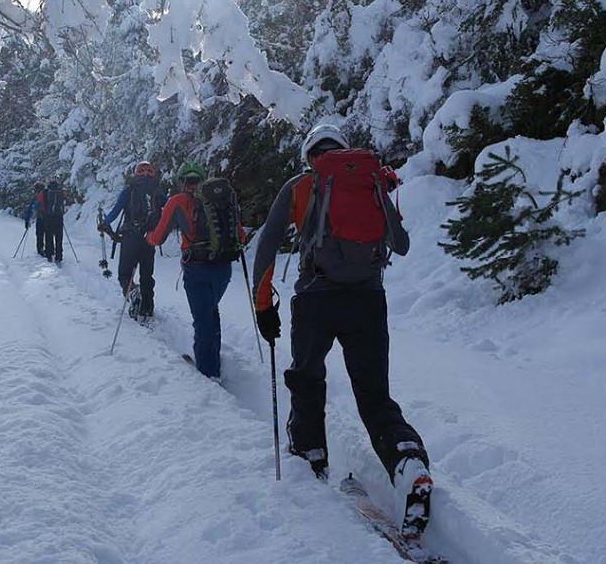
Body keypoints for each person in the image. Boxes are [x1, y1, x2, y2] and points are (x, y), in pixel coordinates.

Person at [250, 123, 432, 538]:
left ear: (310, 154)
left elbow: (266, 246)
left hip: (314, 300)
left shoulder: (300, 186)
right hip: (368, 300)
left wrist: (264, 307)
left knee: (307, 379)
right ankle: (407, 460)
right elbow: (400, 244)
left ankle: (311, 454)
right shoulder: (370, 181)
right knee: (373, 394)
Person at [145, 161, 245, 381]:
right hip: (223, 268)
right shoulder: (223, 200)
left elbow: (159, 237)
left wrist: (148, 237)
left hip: (196, 268)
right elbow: (241, 236)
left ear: (181, 181)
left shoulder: (177, 201)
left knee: (203, 319)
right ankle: (212, 360)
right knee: (211, 312)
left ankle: (209, 373)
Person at [98, 161, 167, 321]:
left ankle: (133, 292)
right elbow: (170, 208)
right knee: (147, 274)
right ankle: (147, 309)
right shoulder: (157, 192)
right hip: (150, 238)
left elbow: (116, 210)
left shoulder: (129, 191)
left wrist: (105, 223)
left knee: (124, 273)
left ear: (136, 174)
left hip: (130, 237)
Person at [42, 178, 66, 264]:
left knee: (49, 236)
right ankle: (59, 256)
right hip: (59, 217)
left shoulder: (46, 192)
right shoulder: (60, 192)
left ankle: (49, 254)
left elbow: (43, 204)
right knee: (59, 237)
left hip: (49, 217)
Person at [23, 181, 47, 257]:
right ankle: (49, 250)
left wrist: (27, 221)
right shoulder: (48, 194)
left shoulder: (36, 196)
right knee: (48, 235)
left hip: (40, 217)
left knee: (40, 234)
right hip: (50, 218)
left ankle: (40, 250)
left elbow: (30, 209)